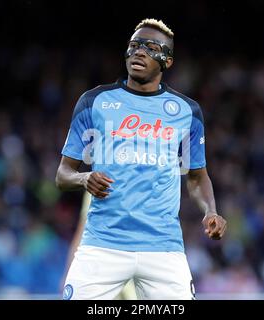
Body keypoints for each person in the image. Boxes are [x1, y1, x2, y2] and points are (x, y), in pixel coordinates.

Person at [56, 18, 227, 300]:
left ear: (167, 60)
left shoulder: (187, 111)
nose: (139, 52)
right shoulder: (94, 101)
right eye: (134, 45)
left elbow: (197, 176)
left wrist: (210, 210)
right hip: (103, 245)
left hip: (163, 248)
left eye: (150, 47)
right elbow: (63, 174)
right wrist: (84, 177)